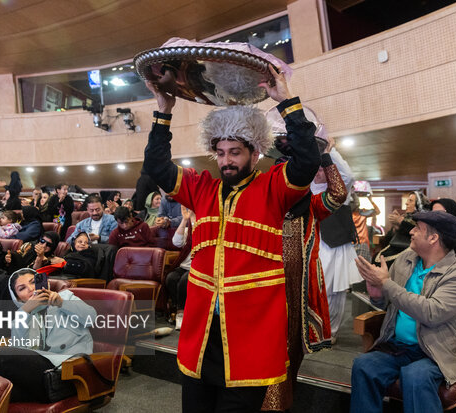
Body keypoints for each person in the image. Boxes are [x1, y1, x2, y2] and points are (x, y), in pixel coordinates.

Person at [142, 64, 320, 412]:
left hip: (250, 336)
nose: (226, 160)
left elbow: (307, 161)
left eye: (235, 152)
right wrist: (163, 110)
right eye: (220, 153)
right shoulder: (200, 188)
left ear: (255, 153)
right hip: (202, 332)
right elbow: (156, 165)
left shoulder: (273, 186)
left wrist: (287, 102)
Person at [352, 211, 456, 413]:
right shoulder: (406, 259)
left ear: (434, 238)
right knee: (364, 365)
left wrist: (386, 284)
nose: (410, 231)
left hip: (436, 353)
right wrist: (377, 293)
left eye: (418, 228)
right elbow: (388, 302)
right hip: (398, 347)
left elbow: (431, 313)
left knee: (416, 375)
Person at [261, 139, 341, 412]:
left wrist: (326, 159)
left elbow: (339, 194)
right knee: (268, 348)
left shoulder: (311, 208)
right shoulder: (264, 209)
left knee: (291, 351)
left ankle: (282, 403)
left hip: (299, 295)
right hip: (266, 291)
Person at [0, 268, 97, 403]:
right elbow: (19, 350)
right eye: (22, 288)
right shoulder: (22, 317)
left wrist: (61, 304)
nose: (30, 289)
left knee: (1, 356)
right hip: (37, 379)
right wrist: (26, 311)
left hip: (67, 375)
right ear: (17, 298)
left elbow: (91, 318)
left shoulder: (65, 297)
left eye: (34, 282)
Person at [310, 148, 361, 343]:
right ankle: (311, 329)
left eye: (323, 169)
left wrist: (328, 150)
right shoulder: (305, 189)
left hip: (335, 246)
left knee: (333, 292)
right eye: (316, 169)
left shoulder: (340, 188)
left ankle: (330, 332)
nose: (318, 173)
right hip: (310, 246)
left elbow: (348, 174)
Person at [375, 190, 431, 268]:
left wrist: (400, 221)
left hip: (412, 251)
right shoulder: (405, 217)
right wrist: (395, 227)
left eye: (410, 201)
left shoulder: (424, 219)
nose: (406, 203)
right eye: (407, 200)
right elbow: (388, 240)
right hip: (398, 247)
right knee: (377, 258)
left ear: (418, 204)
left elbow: (417, 231)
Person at [164, 205, 195, 330]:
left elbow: (199, 238)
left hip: (198, 267)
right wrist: (184, 220)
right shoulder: (189, 231)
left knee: (184, 281)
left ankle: (181, 313)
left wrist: (193, 219)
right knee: (171, 278)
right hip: (184, 265)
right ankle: (177, 309)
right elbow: (176, 242)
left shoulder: (203, 229)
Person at [352, 192, 380, 262]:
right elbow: (377, 211)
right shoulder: (363, 212)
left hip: (352, 244)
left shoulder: (347, 214)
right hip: (361, 243)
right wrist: (370, 199)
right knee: (364, 269)